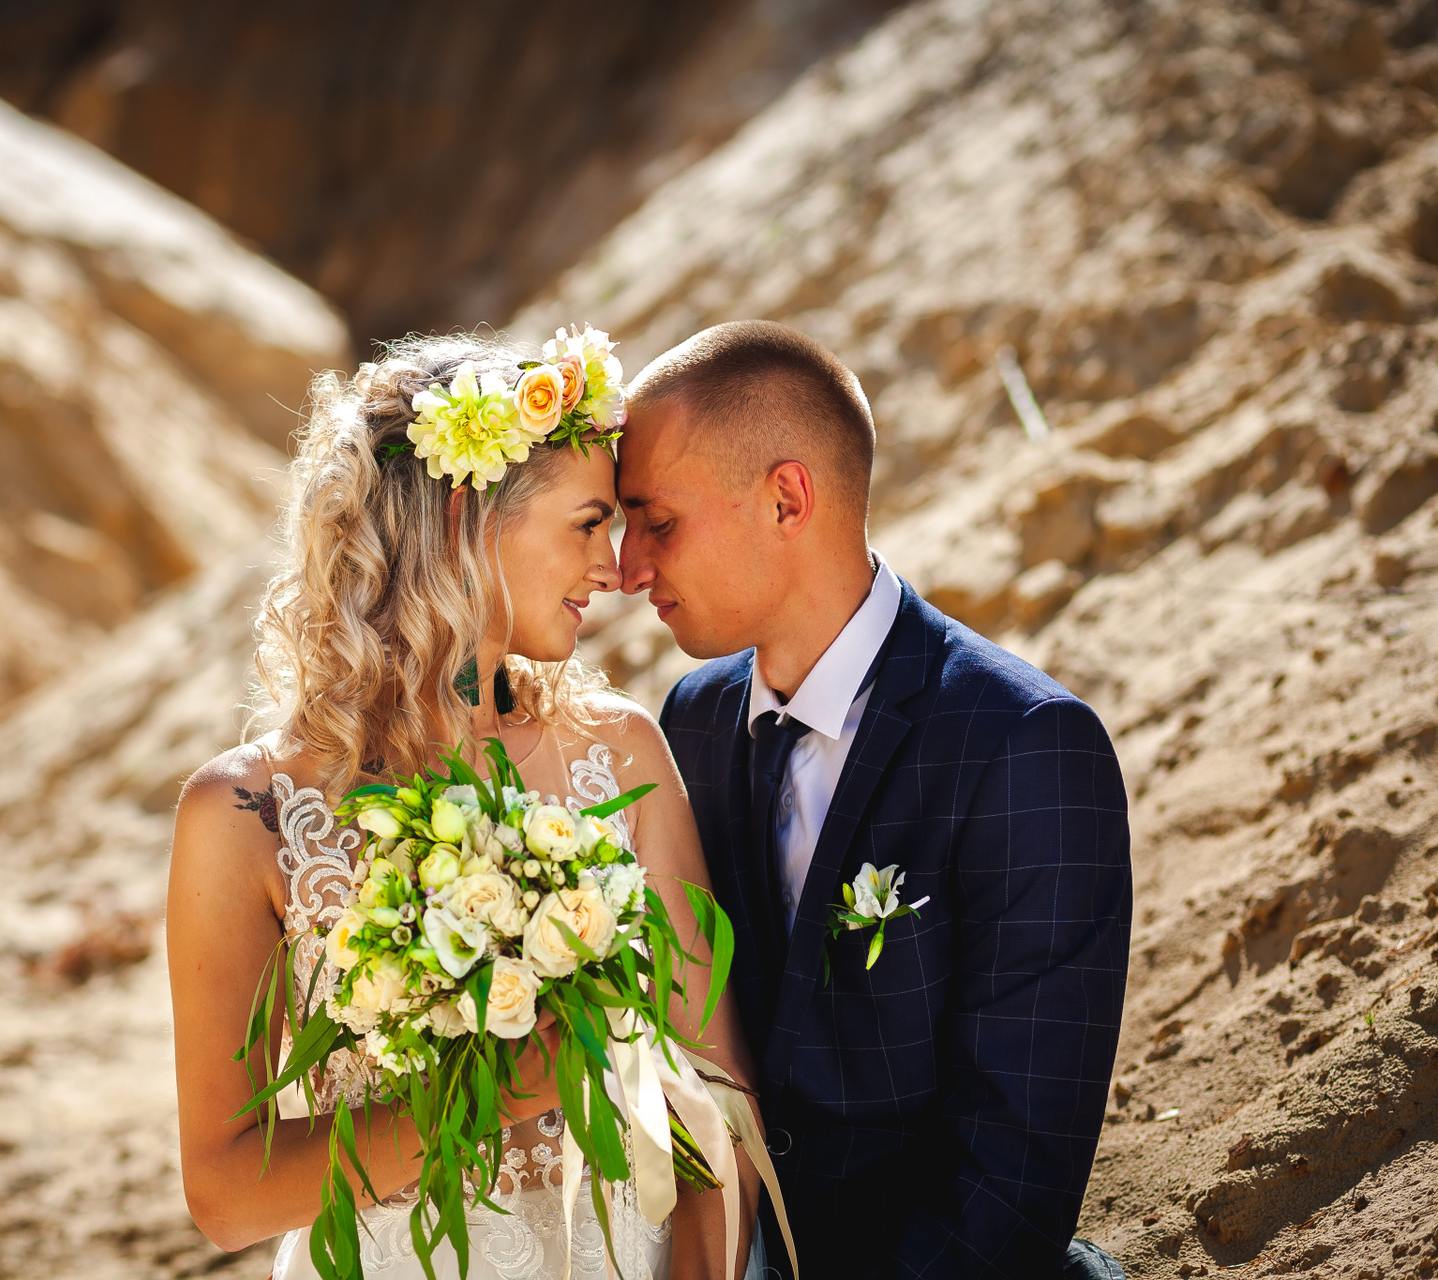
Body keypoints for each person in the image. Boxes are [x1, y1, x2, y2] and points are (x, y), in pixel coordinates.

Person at [169, 334, 760, 1280]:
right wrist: (497, 1095)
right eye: (587, 524)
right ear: (466, 518)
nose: (613, 569)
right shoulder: (246, 815)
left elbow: (718, 1101)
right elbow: (227, 1194)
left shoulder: (620, 753)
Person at [616, 321, 1131, 1279]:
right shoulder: (691, 719)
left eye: (657, 522)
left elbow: (1015, 1174)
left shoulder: (1024, 745)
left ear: (787, 498)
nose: (626, 568)